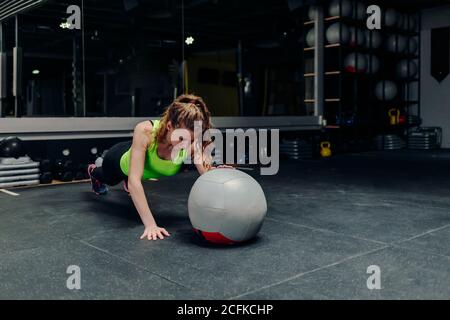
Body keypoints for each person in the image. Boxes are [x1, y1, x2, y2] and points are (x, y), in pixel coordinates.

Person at [87, 94, 225, 241]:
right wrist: (150, 225)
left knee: (135, 175)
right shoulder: (145, 130)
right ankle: (93, 170)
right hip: (118, 161)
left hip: (138, 165)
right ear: (169, 126)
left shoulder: (191, 143)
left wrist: (219, 174)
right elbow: (135, 181)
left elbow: (206, 173)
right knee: (109, 178)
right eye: (181, 139)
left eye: (191, 140)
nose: (186, 145)